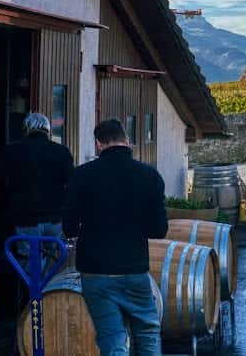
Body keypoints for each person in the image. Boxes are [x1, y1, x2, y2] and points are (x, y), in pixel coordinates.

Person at [63, 118, 168, 356]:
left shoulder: (81, 176)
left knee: (113, 338)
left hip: (95, 272)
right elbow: (158, 230)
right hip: (134, 269)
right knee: (148, 332)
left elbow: (69, 228)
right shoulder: (150, 176)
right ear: (127, 141)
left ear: (98, 144)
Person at [0, 112, 74, 274]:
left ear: (26, 129)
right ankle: (49, 295)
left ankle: (33, 297)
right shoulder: (61, 151)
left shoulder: (11, 151)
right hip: (55, 219)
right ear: (48, 130)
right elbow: (71, 184)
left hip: (25, 218)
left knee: (30, 264)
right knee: (53, 261)